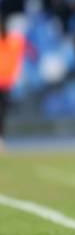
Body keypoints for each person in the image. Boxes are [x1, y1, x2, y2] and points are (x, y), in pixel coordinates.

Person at [0, 13, 27, 153]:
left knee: (3, 112)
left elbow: (27, 50)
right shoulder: (14, 42)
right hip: (5, 81)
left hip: (6, 82)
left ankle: (1, 137)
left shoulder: (14, 41)